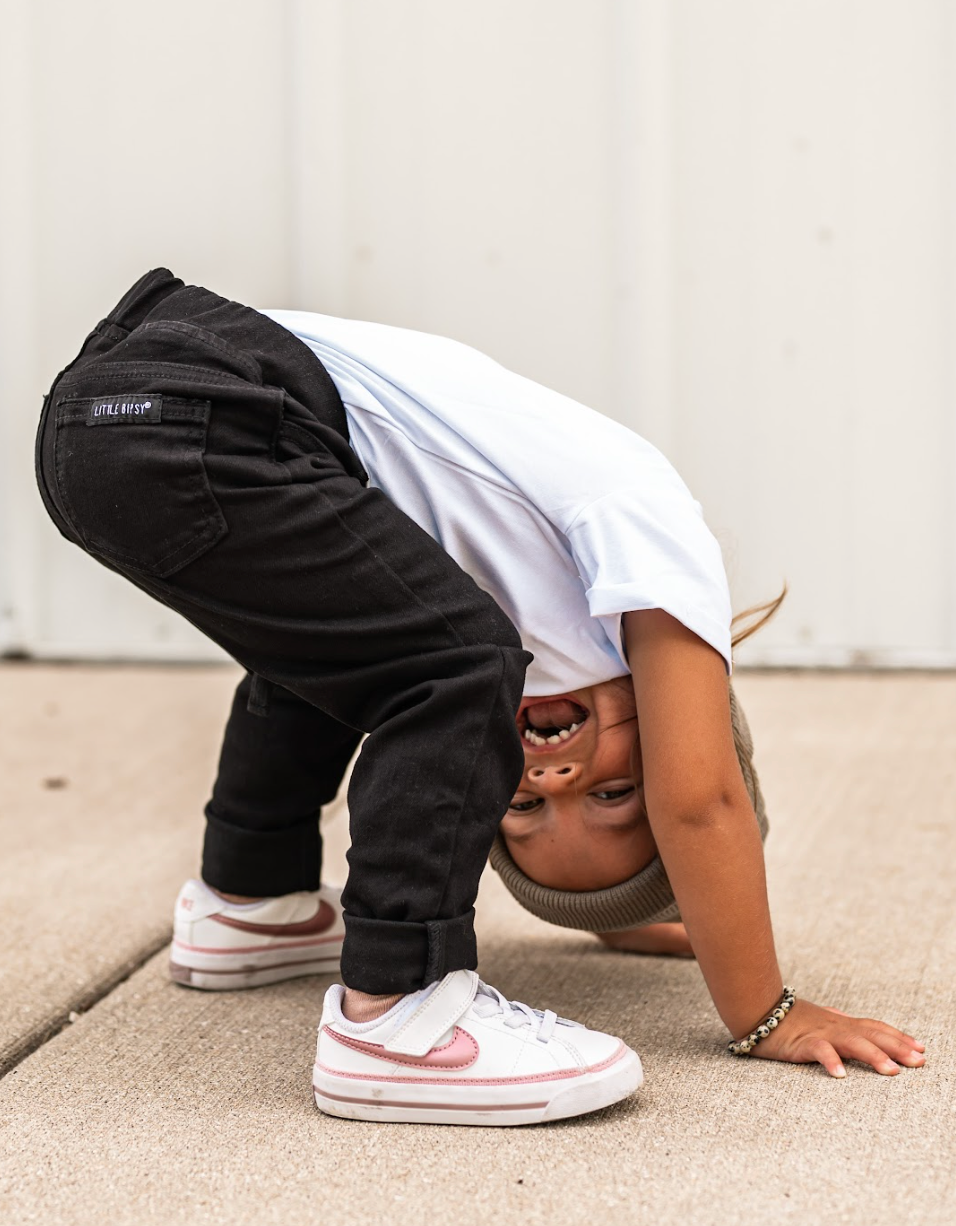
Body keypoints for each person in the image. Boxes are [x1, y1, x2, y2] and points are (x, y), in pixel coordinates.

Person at [34, 269, 924, 1126]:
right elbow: (701, 804)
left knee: (361, 658)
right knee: (457, 667)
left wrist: (616, 920)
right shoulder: (656, 549)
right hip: (210, 407)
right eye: (615, 792)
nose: (558, 769)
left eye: (526, 804)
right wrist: (768, 1012)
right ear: (693, 731)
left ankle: (249, 906)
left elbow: (664, 800)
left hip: (115, 412)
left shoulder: (515, 590)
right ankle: (398, 1012)